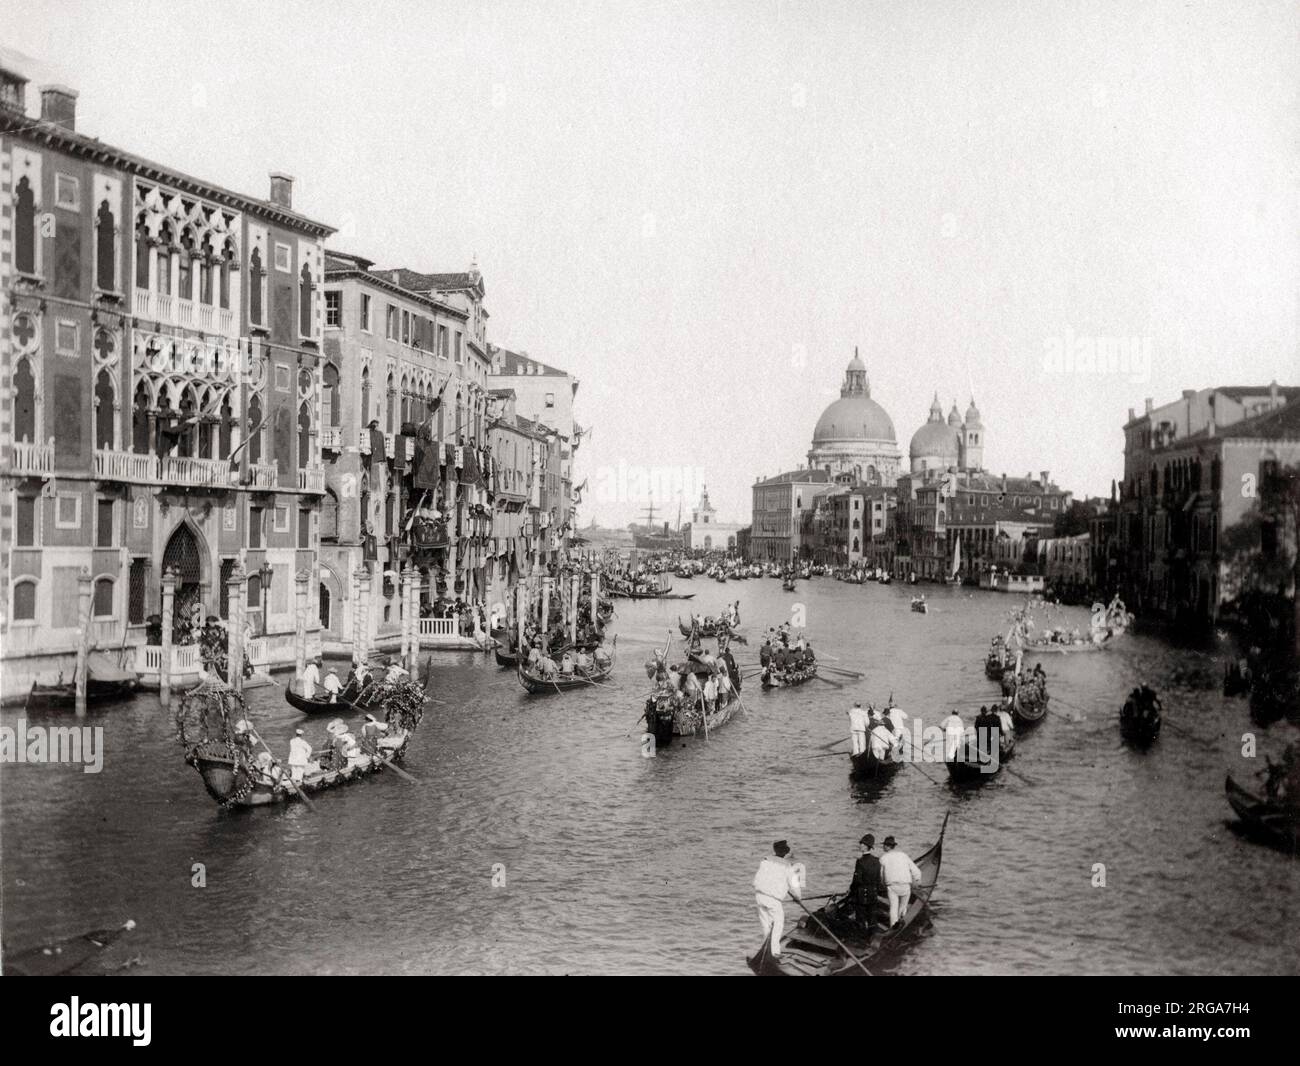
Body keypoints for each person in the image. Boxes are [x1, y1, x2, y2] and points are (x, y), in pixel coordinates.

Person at [753, 840, 803, 958]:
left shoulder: (765, 862)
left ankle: (766, 950)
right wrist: (798, 898)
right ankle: (774, 953)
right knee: (778, 925)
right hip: (773, 900)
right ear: (786, 853)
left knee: (766, 926)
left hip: (759, 896)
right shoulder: (789, 867)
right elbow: (795, 889)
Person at [879, 836, 923, 929]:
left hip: (892, 887)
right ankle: (902, 923)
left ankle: (893, 927)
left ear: (887, 846)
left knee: (893, 908)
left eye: (884, 845)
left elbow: (881, 875)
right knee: (903, 907)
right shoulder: (903, 855)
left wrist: (882, 884)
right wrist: (918, 881)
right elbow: (916, 871)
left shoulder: (883, 858)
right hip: (905, 886)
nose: (883, 847)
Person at [848, 834, 883, 935]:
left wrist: (850, 890)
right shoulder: (877, 861)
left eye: (862, 844)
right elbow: (877, 880)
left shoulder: (860, 862)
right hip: (873, 894)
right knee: (872, 918)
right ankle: (872, 937)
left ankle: (860, 937)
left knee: (861, 919)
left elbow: (857, 880)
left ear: (866, 846)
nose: (860, 845)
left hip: (862, 895)